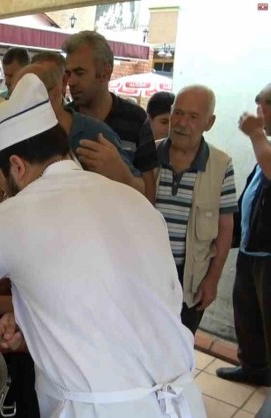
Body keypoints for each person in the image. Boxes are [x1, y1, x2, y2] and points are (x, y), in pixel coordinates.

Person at [0, 73, 211, 418]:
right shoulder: (133, 201)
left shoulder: (15, 215)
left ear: (17, 167)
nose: (0, 186)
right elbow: (116, 302)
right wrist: (31, 321)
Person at [153, 85, 237, 335]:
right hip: (147, 270)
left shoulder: (221, 165)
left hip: (191, 276)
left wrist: (212, 280)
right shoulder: (148, 154)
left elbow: (225, 227)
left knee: (179, 344)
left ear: (209, 123)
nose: (182, 123)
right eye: (178, 113)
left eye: (193, 116)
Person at [63, 31, 159, 203]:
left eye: (80, 72)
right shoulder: (62, 120)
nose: (71, 82)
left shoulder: (136, 119)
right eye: (68, 74)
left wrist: (121, 173)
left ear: (106, 72)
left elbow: (150, 197)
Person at [217, 83, 271, 387]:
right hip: (253, 248)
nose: (257, 112)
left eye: (262, 104)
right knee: (247, 312)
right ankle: (253, 368)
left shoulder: (263, 143)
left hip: (268, 254)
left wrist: (256, 135)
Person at [23, 60, 143, 193]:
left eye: (31, 95)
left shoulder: (96, 134)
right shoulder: (16, 137)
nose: (22, 106)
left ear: (58, 89)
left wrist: (121, 173)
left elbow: (141, 192)